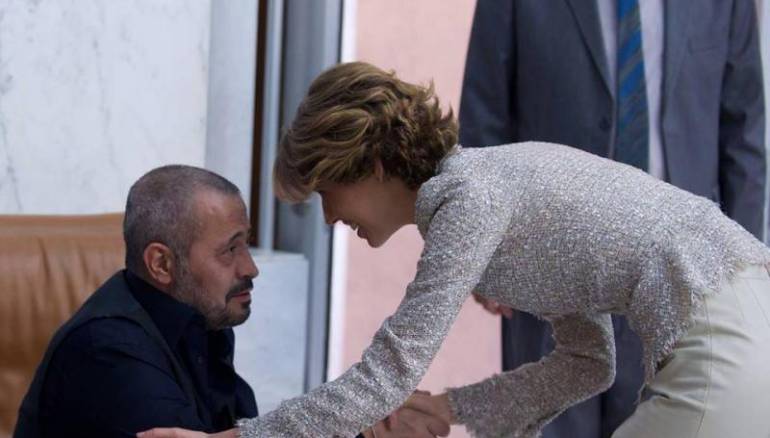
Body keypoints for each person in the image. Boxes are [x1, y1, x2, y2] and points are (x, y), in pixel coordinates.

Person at [140, 62, 770, 438]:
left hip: (724, 346)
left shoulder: (469, 198)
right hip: (741, 332)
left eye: (326, 193)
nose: (330, 218)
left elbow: (389, 370)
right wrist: (448, 407)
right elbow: (587, 363)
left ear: (368, 163)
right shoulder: (489, 194)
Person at [458, 0, 766, 435]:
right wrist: (482, 250)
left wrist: (745, 276)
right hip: (550, 274)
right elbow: (484, 116)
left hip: (680, 282)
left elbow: (744, 139)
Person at [14, 165, 444, 438]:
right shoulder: (108, 350)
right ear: (162, 264)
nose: (251, 267)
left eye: (248, 244)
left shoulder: (201, 323)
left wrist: (357, 423)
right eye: (230, 249)